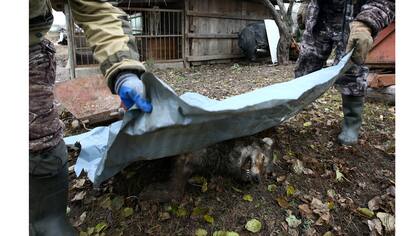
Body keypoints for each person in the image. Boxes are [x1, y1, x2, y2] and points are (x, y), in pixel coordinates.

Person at [29, 0, 153, 235]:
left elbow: (97, 10)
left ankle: (47, 220)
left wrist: (124, 71)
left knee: (40, 141)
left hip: (28, 48)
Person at [294, 0, 395, 145]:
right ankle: (295, 107)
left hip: (355, 16)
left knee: (352, 68)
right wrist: (305, 2)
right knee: (307, 61)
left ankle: (351, 122)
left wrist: (366, 22)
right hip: (321, 13)